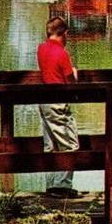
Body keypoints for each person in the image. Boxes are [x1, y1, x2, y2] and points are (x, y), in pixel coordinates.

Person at [36, 17, 83, 199]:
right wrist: (75, 73)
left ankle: (51, 185)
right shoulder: (63, 54)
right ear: (65, 33)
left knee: (51, 145)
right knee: (70, 145)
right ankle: (62, 186)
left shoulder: (41, 49)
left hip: (44, 102)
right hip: (58, 103)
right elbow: (70, 82)